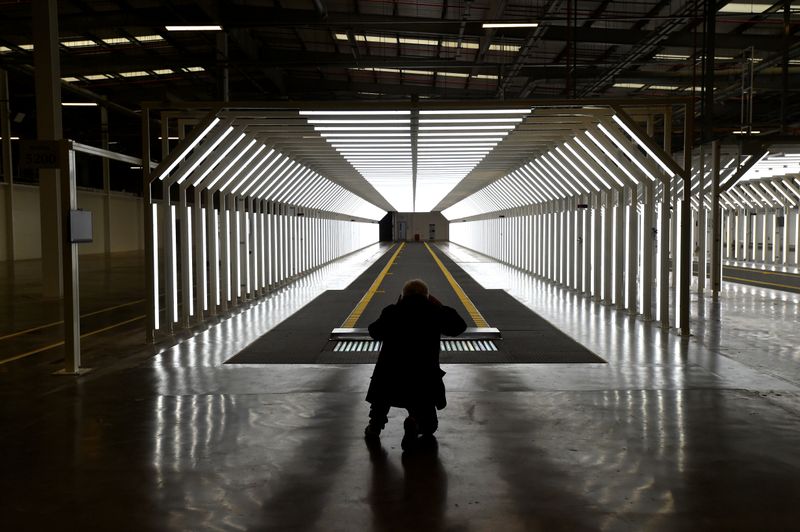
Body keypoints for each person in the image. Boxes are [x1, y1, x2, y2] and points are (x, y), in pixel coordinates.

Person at [364, 278, 467, 450]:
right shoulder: (434, 312)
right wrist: (439, 306)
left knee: (383, 389)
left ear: (403, 296)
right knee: (430, 428)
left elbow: (374, 332)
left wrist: (395, 308)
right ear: (427, 297)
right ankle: (415, 422)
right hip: (423, 379)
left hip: (390, 377)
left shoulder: (392, 312)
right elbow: (459, 327)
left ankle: (375, 425)